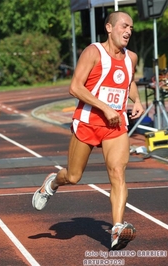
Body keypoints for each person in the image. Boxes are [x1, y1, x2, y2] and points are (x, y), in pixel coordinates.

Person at [32, 11, 143, 251]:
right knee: (73, 176)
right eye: (124, 26)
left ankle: (116, 228)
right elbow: (75, 87)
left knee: (118, 173)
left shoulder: (131, 57)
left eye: (131, 28)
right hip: (88, 122)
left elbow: (129, 81)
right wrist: (104, 108)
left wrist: (137, 101)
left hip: (115, 126)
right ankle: (52, 183)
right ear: (109, 28)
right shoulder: (93, 52)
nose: (128, 31)